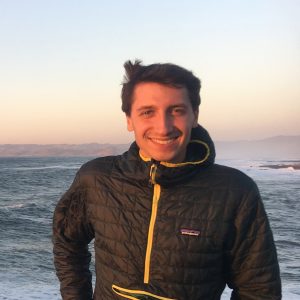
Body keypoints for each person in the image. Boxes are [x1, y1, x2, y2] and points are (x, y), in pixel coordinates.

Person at [53, 60, 282, 299]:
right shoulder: (97, 178)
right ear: (129, 119)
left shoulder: (235, 191)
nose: (163, 127)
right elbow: (67, 241)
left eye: (177, 110)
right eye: (147, 112)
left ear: (195, 115)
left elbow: (259, 289)